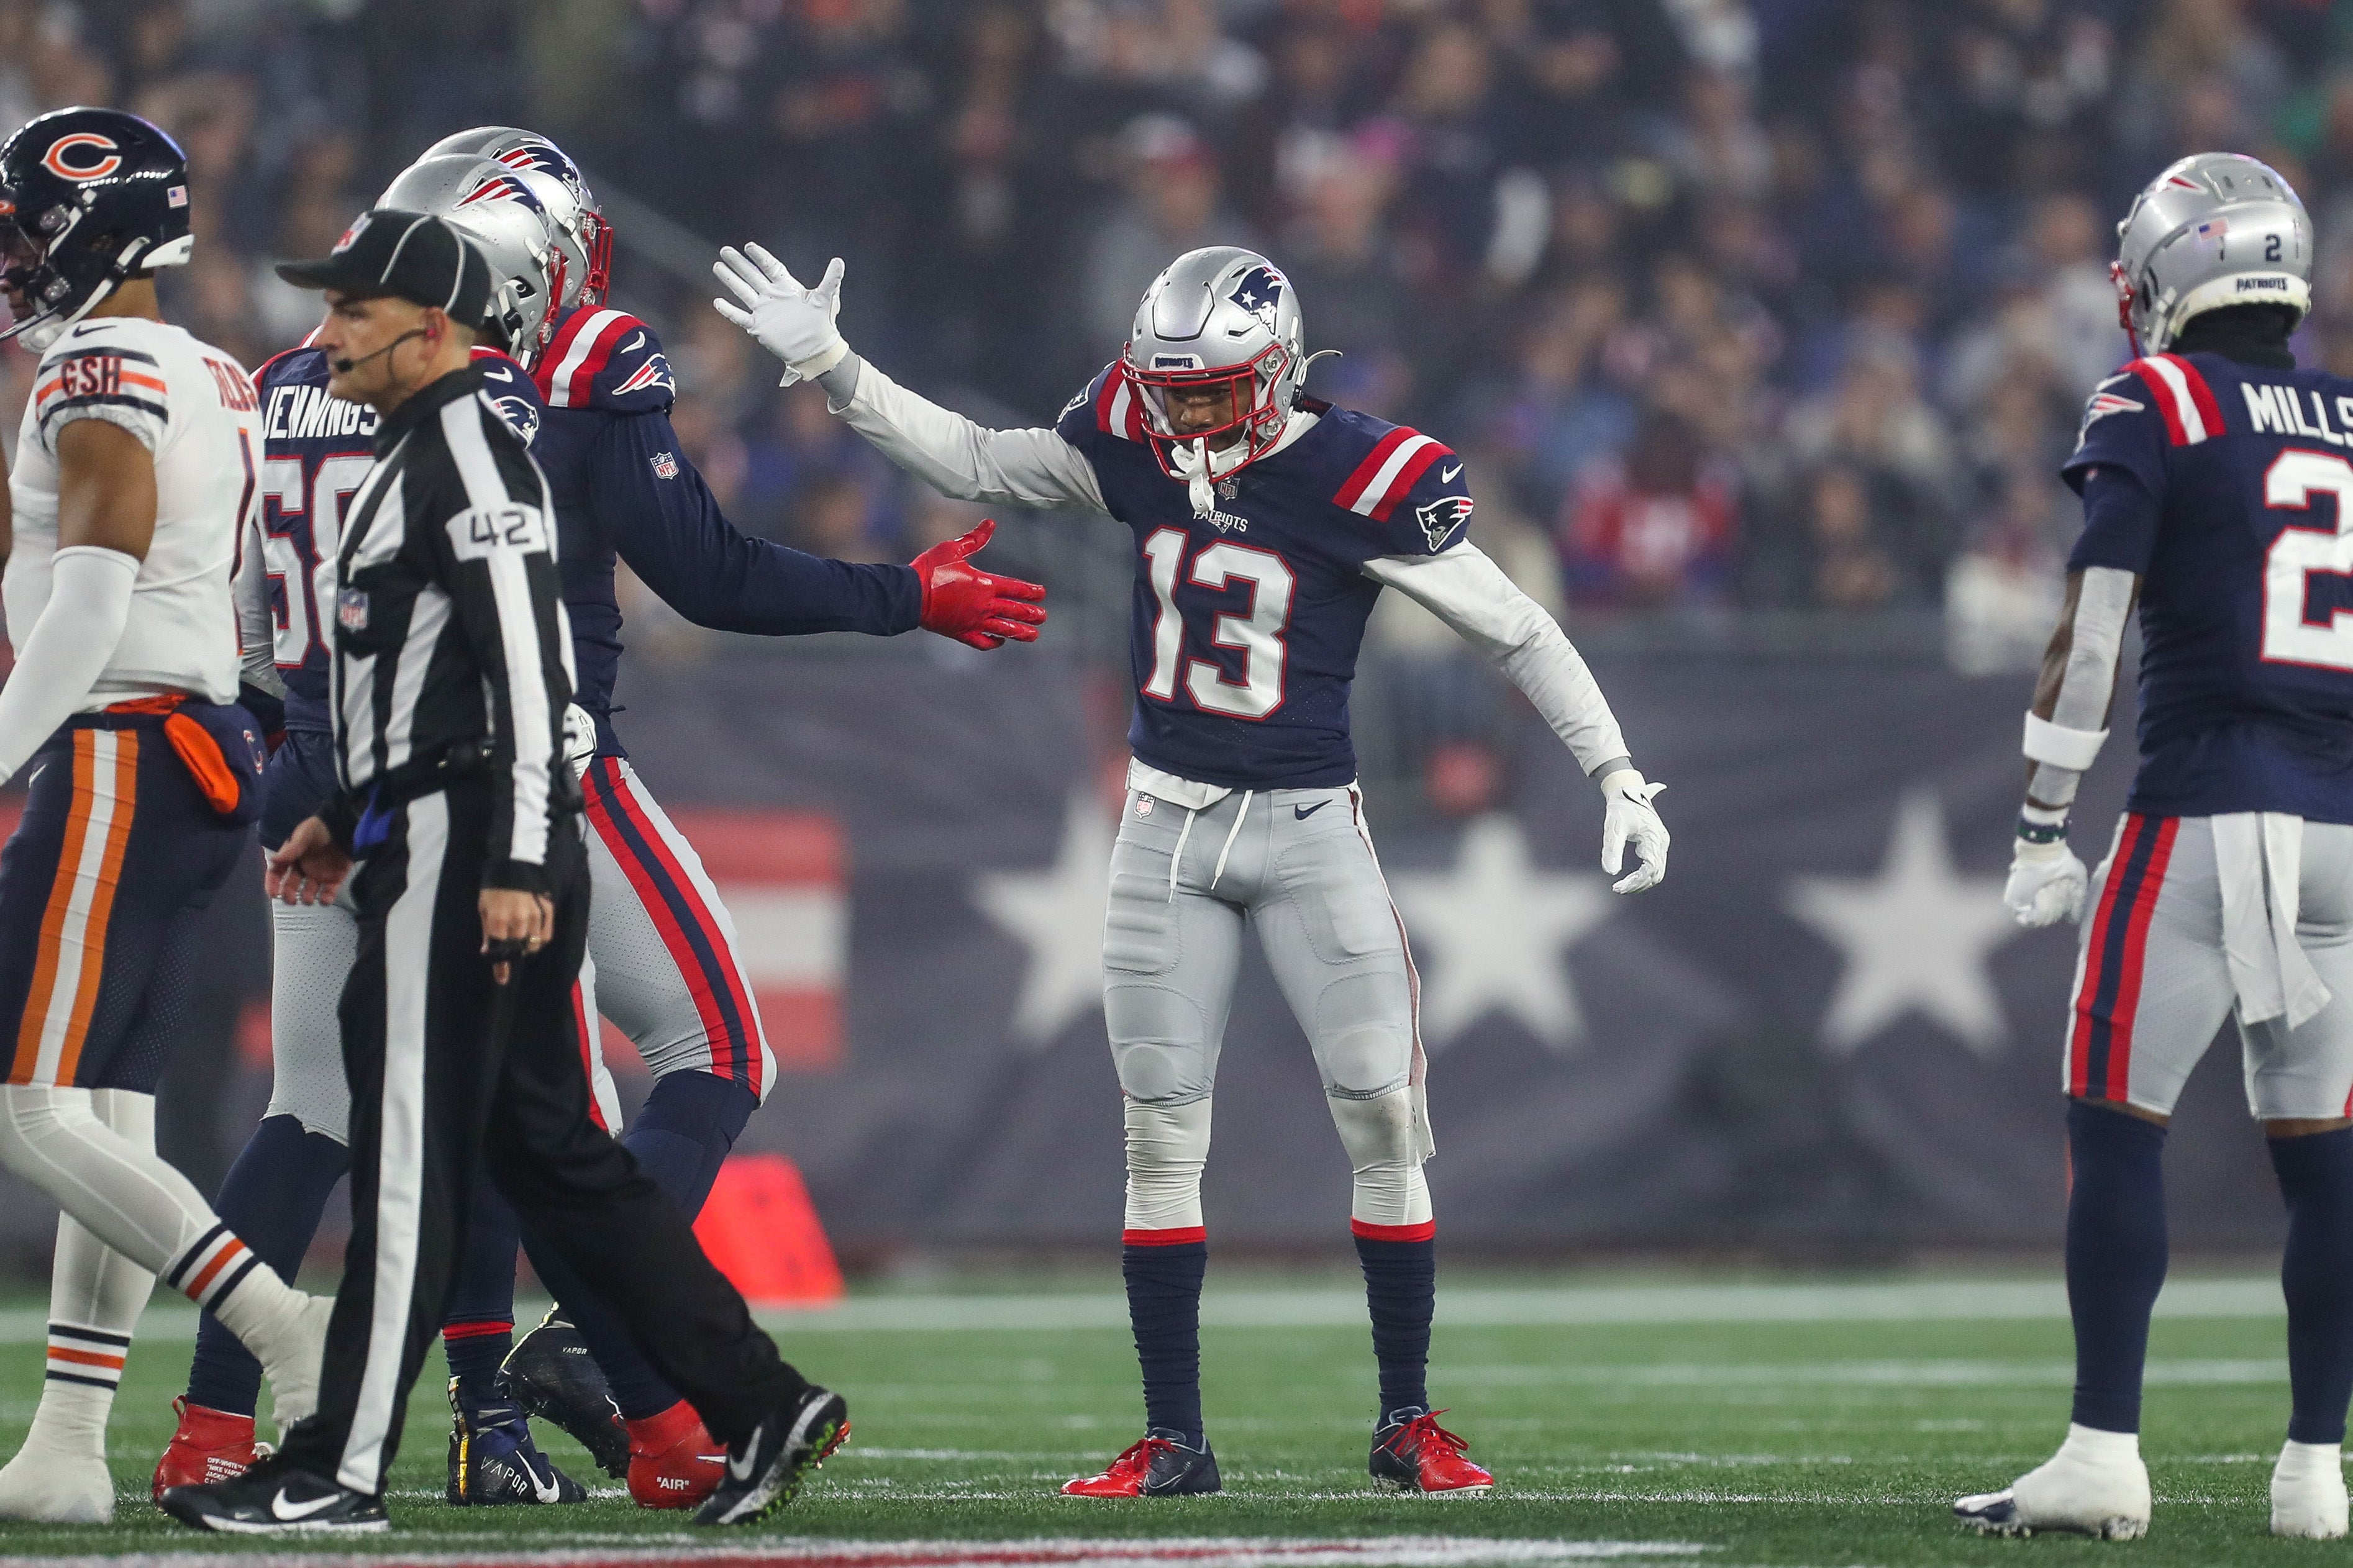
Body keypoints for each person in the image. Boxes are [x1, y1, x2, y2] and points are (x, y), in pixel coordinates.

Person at [155, 133, 1044, 1513]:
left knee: (361, 1116)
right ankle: (592, 1388)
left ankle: (252, 1429)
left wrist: (304, 776)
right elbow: (672, 581)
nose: (325, 325)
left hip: (335, 788)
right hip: (504, 782)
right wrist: (900, 597)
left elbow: (261, 635)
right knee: (632, 1076)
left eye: (352, 299)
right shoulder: (529, 389)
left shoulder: (286, 389)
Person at [715, 240, 1670, 1497]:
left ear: (1274, 374)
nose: (1183, 413)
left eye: (1211, 389)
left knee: (1384, 1114)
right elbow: (976, 461)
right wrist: (834, 368)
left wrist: (1615, 774)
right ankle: (1174, 1439)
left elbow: (1518, 630)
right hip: (1165, 827)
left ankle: (1406, 1422)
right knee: (1159, 1140)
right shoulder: (1131, 429)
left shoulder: (1361, 475)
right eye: (1168, 387)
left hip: (1311, 825)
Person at [157, 159, 600, 1510]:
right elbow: (515, 604)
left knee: (311, 1113)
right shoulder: (462, 399)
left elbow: (245, 604)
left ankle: (210, 1424)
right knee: (495, 1114)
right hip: (429, 782)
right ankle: (487, 1423)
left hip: (306, 763)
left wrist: (280, 742)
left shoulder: (284, 385)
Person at [1958, 153, 2353, 1542]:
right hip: (2343, 833)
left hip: (2202, 802)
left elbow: (2094, 624)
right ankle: (2315, 1473)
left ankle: (2102, 1452)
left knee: (2112, 1119)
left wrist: (2040, 816)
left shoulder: (2158, 397)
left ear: (2170, 270)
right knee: (2323, 1155)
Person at [0, 107, 335, 1526]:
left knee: (26, 1111)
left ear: (89, 223)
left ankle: (285, 1330)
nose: (14, 253)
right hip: (194, 751)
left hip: (122, 749)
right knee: (111, 1114)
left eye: (25, 224)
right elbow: (247, 591)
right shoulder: (206, 363)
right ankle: (70, 1446)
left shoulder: (97, 366)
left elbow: (89, 601)